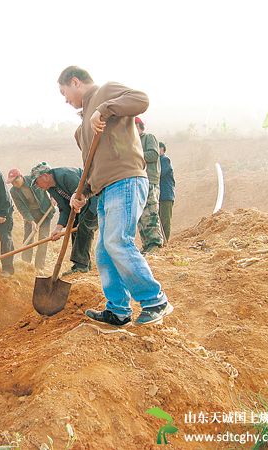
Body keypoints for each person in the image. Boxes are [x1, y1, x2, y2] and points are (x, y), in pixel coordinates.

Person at [58, 65, 172, 326]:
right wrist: (81, 193)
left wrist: (104, 109)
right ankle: (118, 310)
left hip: (126, 179)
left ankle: (155, 300)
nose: (65, 100)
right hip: (105, 189)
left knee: (117, 242)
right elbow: (90, 165)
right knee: (104, 253)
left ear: (75, 82)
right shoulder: (81, 130)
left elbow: (141, 100)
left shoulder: (106, 92)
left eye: (65, 92)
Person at [30, 162, 98, 276]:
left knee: (83, 227)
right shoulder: (51, 189)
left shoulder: (66, 175)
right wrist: (58, 228)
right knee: (75, 229)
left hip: (93, 202)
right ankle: (82, 264)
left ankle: (81, 266)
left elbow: (83, 196)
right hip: (79, 208)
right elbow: (64, 208)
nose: (37, 186)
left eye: (37, 182)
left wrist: (79, 220)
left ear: (45, 176)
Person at [6, 168, 55, 275]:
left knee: (43, 239)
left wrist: (53, 197)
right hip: (30, 215)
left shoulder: (34, 179)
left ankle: (39, 267)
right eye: (12, 183)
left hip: (44, 212)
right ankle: (25, 263)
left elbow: (50, 185)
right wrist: (31, 221)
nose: (14, 184)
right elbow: (21, 207)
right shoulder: (13, 191)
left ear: (21, 177)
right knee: (28, 239)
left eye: (15, 181)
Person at [135, 117, 164, 254]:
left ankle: (155, 243)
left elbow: (153, 154)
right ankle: (147, 244)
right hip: (138, 181)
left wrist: (134, 154)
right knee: (141, 215)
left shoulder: (148, 138)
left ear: (139, 126)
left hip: (150, 180)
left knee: (150, 212)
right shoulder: (132, 142)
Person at [159, 142, 175, 242]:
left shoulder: (164, 160)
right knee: (160, 220)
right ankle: (162, 242)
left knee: (165, 221)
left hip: (166, 195)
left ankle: (165, 242)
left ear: (163, 149)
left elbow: (160, 173)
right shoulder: (159, 161)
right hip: (160, 196)